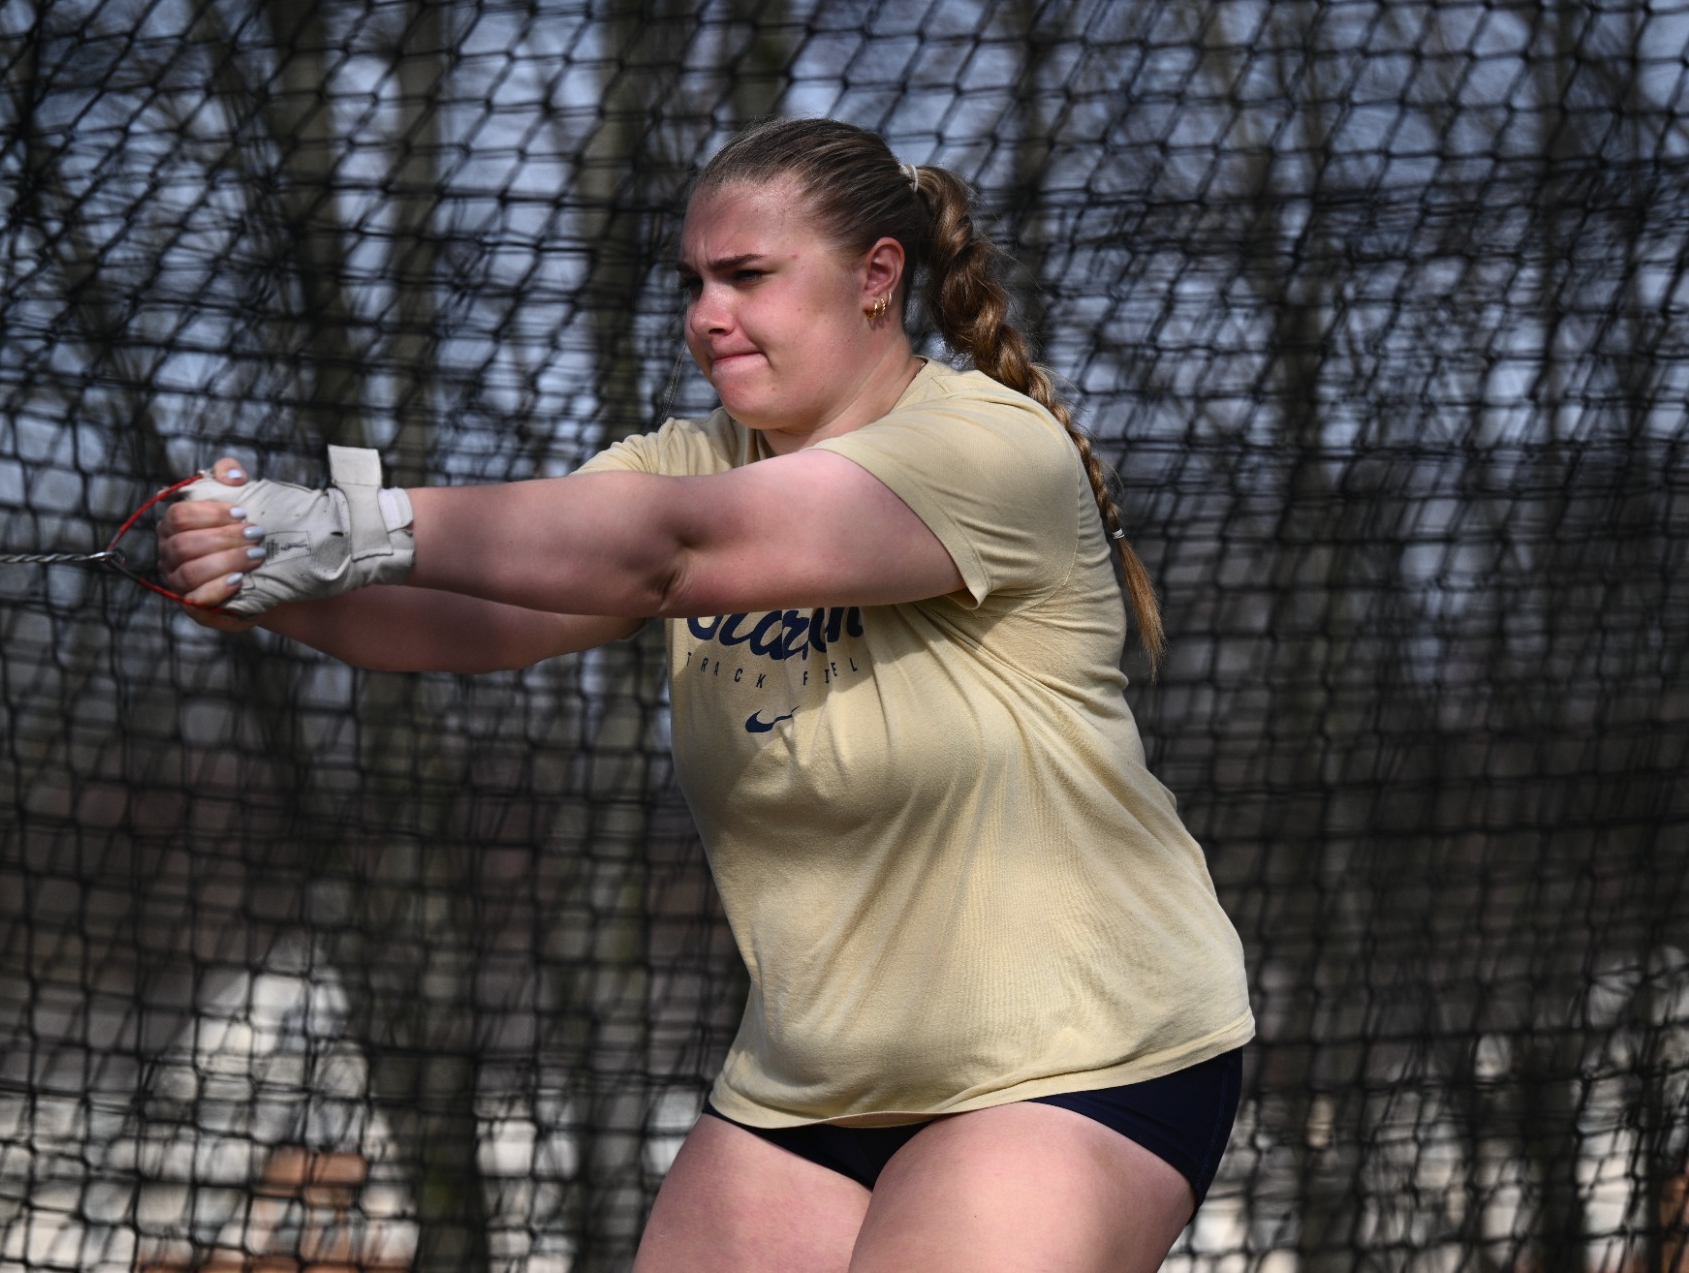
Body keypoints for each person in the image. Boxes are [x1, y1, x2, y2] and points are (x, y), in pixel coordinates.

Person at [157, 117, 1253, 1273]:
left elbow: (671, 552)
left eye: (747, 275)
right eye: (692, 281)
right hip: (810, 1083)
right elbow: (479, 616)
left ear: (877, 276)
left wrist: (353, 523)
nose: (705, 314)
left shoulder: (987, 447)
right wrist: (269, 584)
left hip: (1080, 1055)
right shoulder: (686, 460)